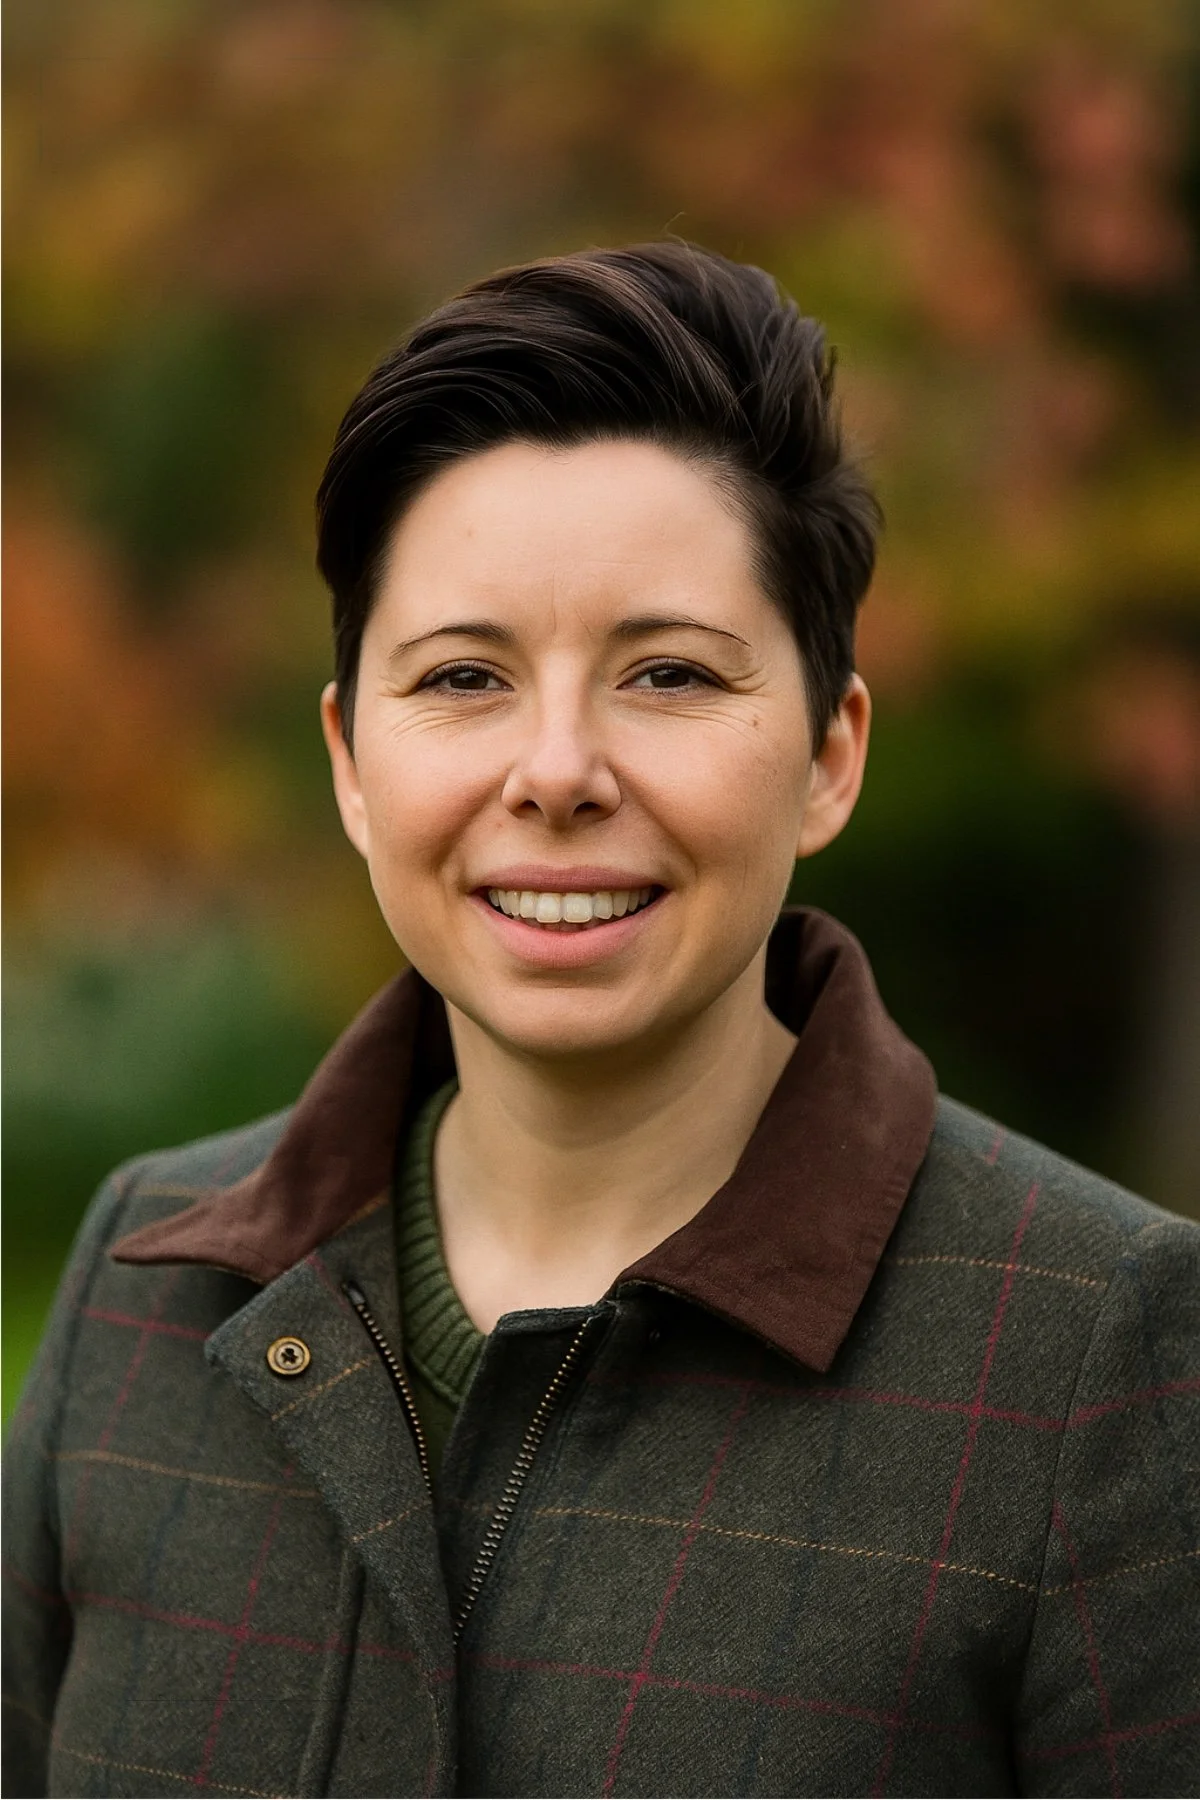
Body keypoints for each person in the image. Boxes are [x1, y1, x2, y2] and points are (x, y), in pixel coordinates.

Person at [4, 243, 1197, 1800]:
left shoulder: (1097, 1358)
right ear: (353, 762)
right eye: (463, 678)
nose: (557, 770)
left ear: (832, 753)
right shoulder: (144, 1290)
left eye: (670, 674)